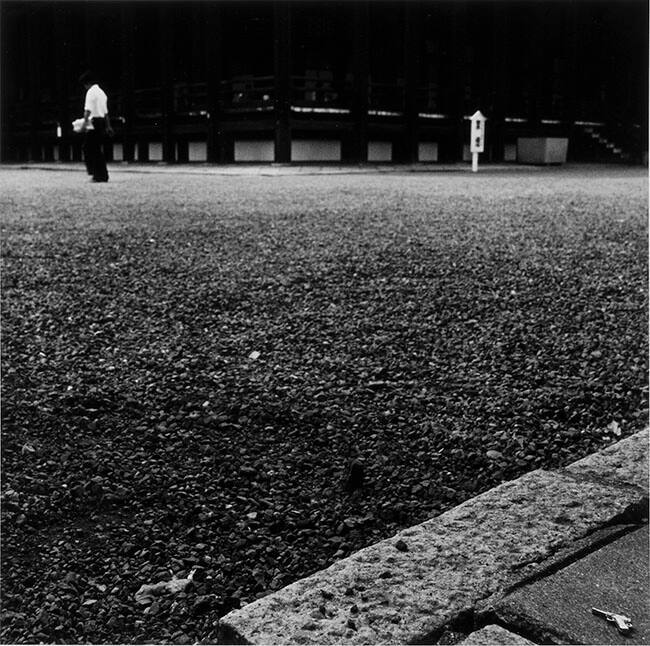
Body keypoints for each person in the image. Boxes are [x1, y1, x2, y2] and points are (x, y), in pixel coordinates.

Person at [79, 71, 113, 182]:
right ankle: (102, 174)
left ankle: (96, 174)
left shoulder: (90, 92)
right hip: (102, 121)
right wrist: (108, 126)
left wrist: (84, 125)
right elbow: (106, 112)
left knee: (89, 148)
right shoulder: (102, 93)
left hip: (94, 122)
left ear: (86, 84)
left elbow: (87, 110)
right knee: (96, 148)